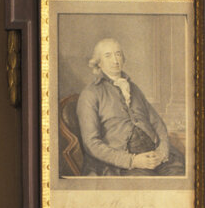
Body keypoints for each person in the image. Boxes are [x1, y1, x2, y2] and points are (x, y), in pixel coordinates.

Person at [75, 37, 184, 176]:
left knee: (179, 173)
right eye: (108, 55)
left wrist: (162, 152)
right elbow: (91, 144)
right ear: (98, 63)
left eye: (118, 54)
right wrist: (132, 161)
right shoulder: (90, 94)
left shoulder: (134, 88)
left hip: (156, 156)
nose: (115, 60)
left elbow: (157, 123)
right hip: (121, 166)